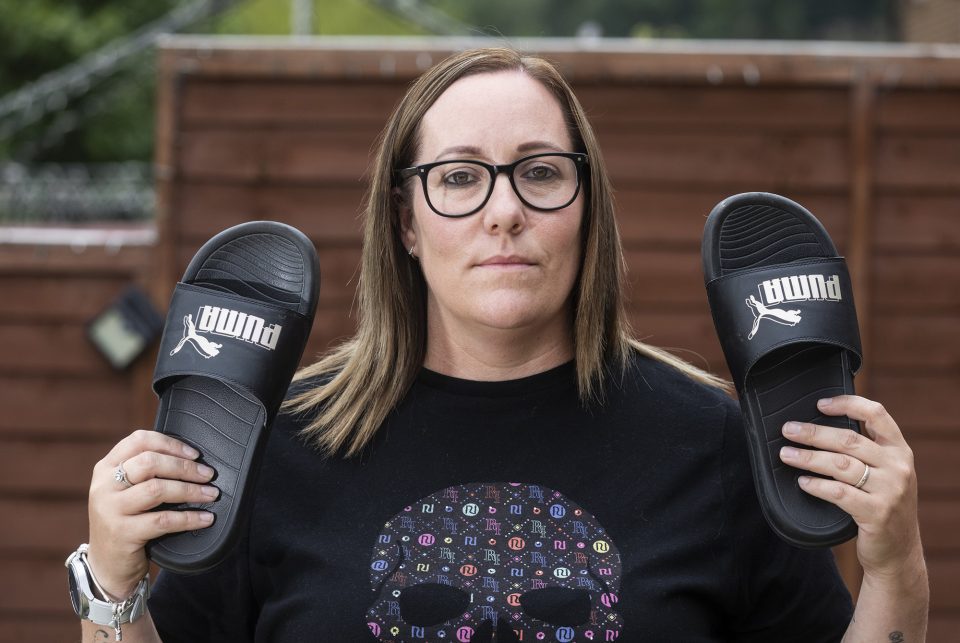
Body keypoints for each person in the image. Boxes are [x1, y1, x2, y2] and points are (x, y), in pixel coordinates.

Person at [77, 47, 928, 642]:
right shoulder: (273, 447)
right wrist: (112, 587)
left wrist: (897, 565)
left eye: (540, 170)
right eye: (459, 175)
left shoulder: (712, 445)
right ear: (405, 221)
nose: (503, 208)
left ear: (585, 205)